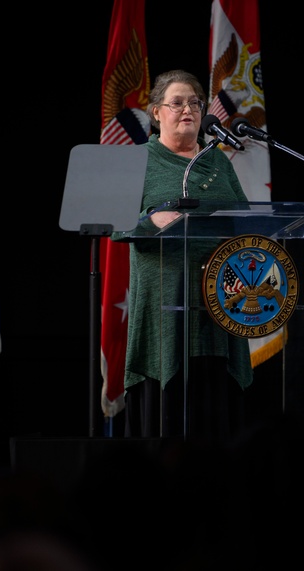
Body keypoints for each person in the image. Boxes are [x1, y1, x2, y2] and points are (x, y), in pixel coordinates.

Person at [113, 69, 253, 442]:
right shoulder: (137, 160)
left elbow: (245, 223)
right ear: (156, 112)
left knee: (217, 407)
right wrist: (149, 219)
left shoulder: (218, 161)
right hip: (165, 305)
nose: (187, 109)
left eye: (194, 102)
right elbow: (113, 227)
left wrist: (244, 265)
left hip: (221, 302)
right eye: (176, 103)